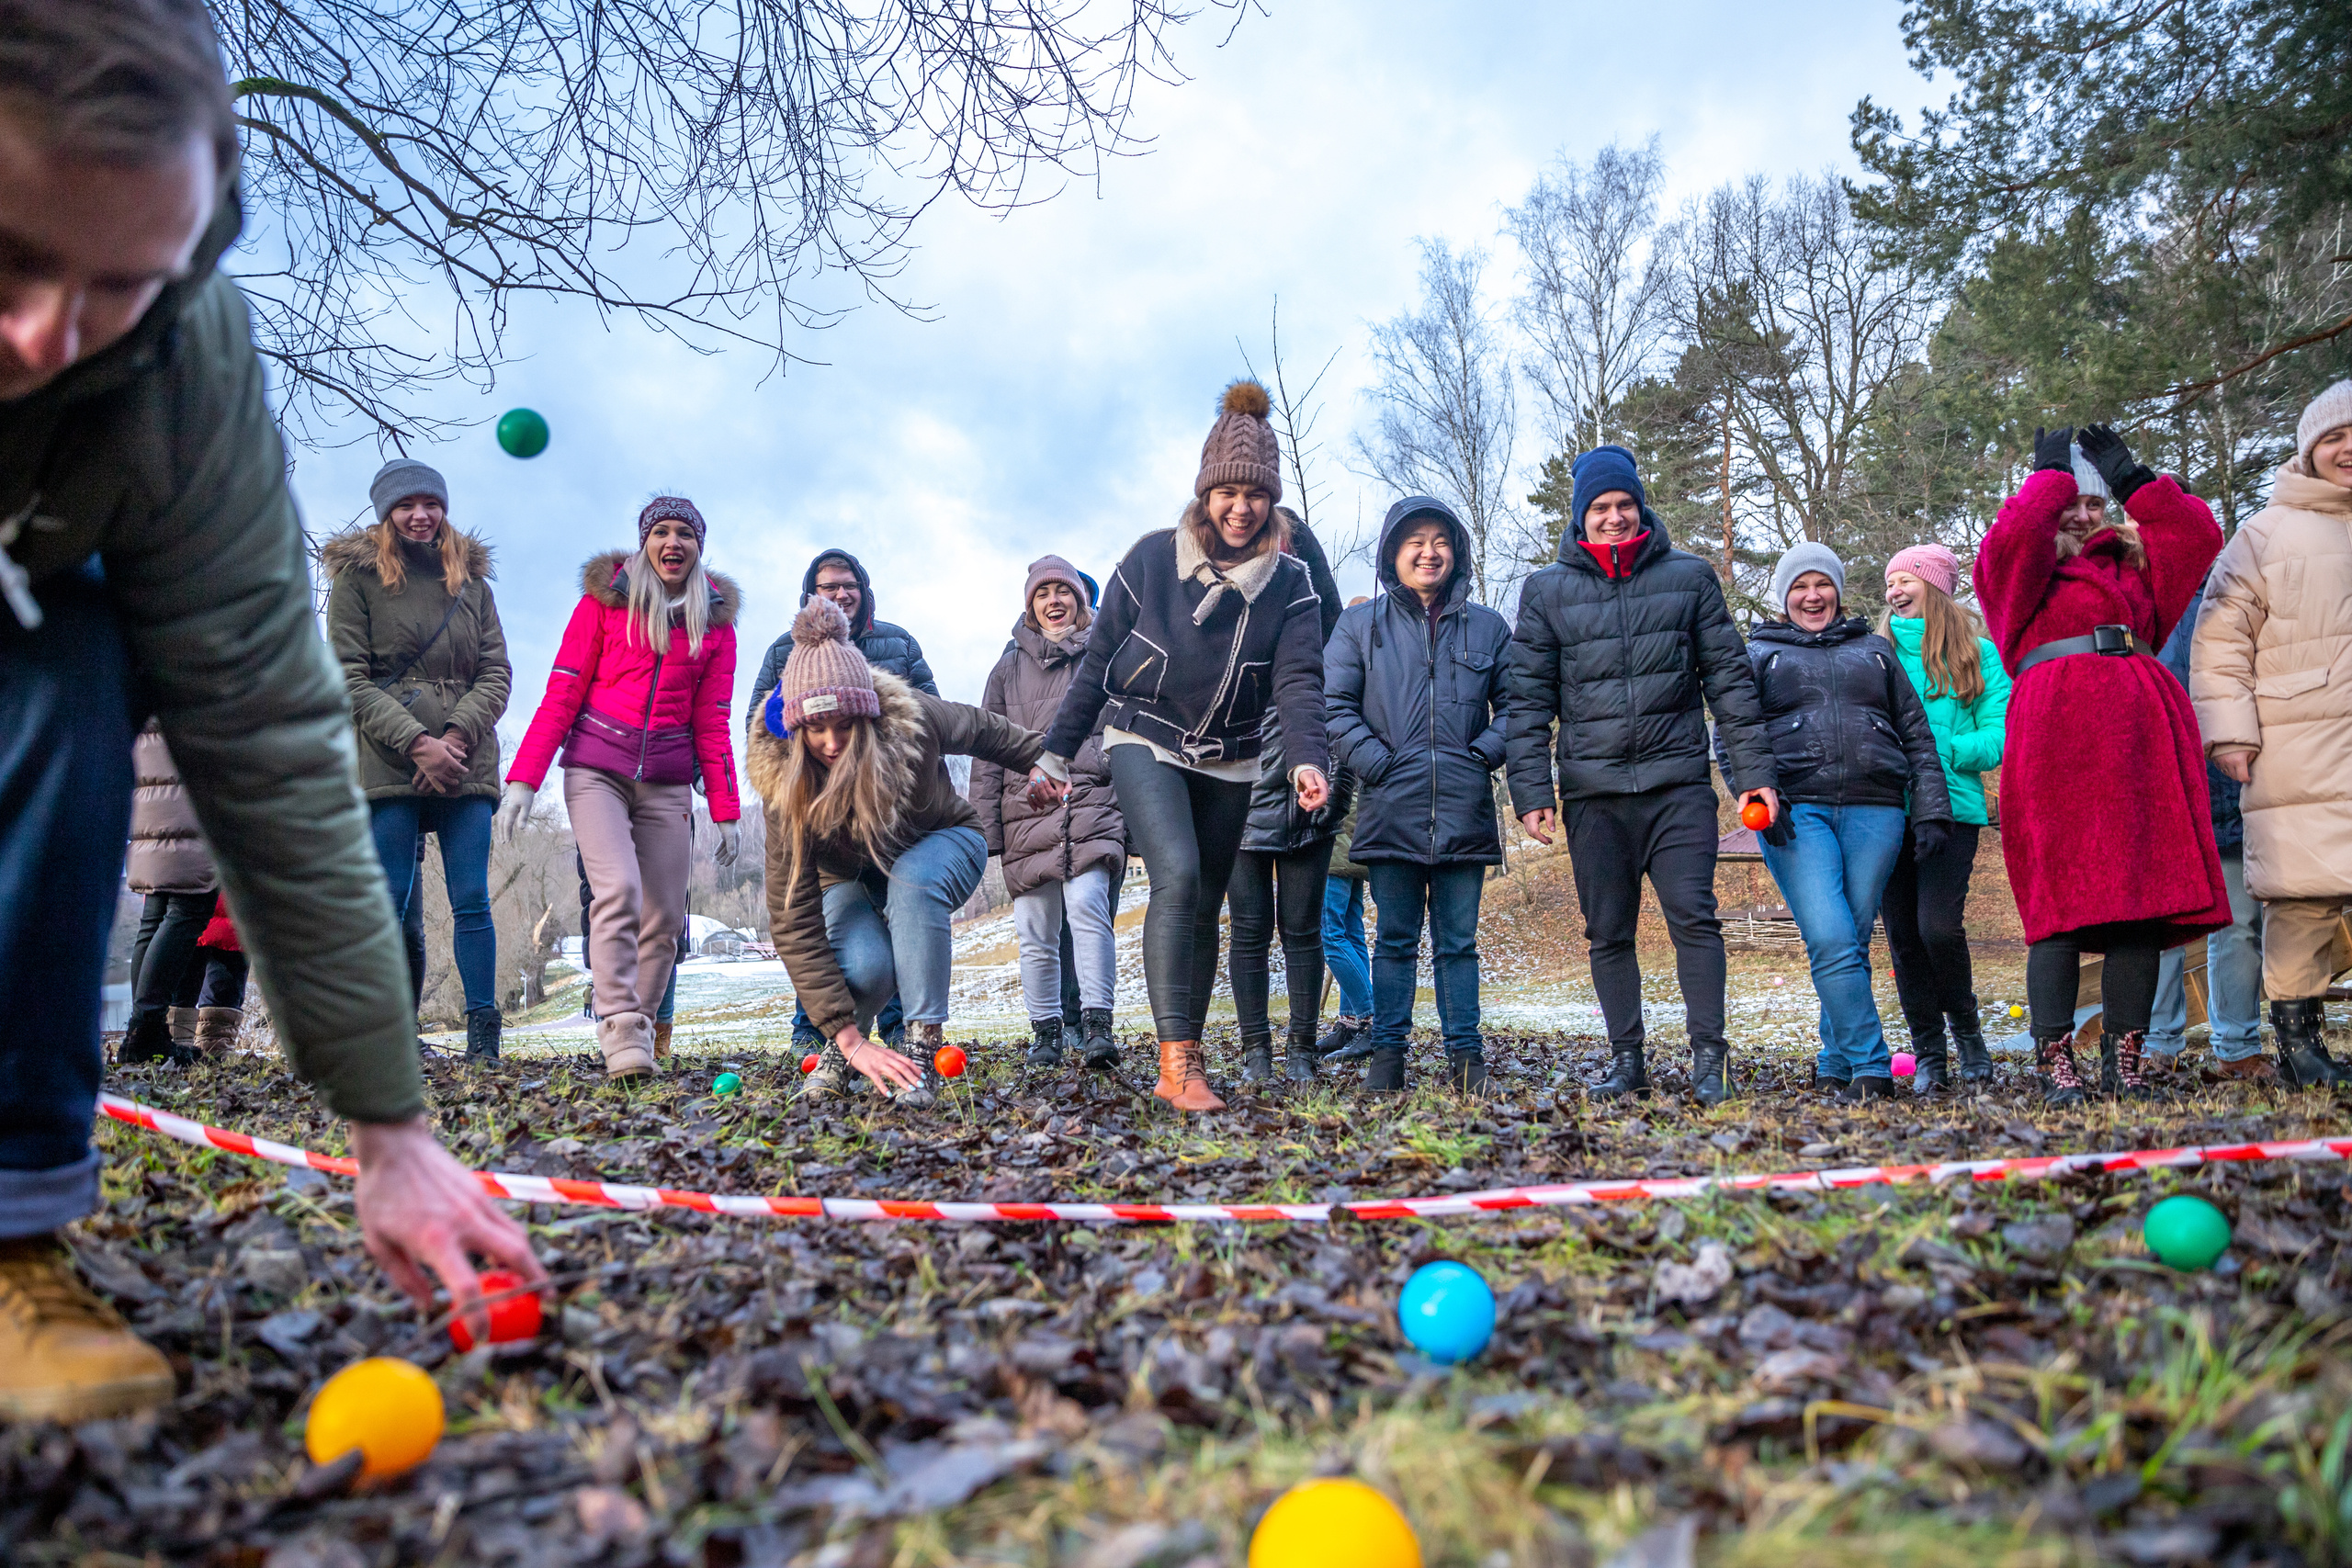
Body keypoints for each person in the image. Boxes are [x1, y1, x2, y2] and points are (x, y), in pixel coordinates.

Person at [0, 0, 539, 1421]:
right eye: (11, 258)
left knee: (63, 655)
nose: (49, 335)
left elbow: (267, 737)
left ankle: (9, 1237)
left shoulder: (186, 374)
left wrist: (389, 1123)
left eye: (117, 282)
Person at [1035, 380, 1331, 1113]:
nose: (1241, 507)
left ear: (1272, 501)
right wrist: (1052, 752)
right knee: (1177, 870)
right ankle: (1175, 1066)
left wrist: (1306, 758)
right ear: (1205, 494)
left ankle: (1189, 1052)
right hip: (1146, 737)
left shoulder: (1291, 586)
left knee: (1204, 901)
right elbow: (1098, 664)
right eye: (1227, 492)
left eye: (1255, 494)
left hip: (1231, 756)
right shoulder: (1149, 561)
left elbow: (1299, 683)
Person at [1504, 446, 1777, 1104]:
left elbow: (1731, 682)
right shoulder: (1546, 591)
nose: (1616, 517)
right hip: (1595, 795)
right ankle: (1627, 1060)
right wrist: (1532, 791)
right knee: (1608, 931)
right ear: (1581, 516)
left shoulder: (1689, 577)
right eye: (1601, 508)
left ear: (1641, 507)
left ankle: (1710, 1059)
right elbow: (1527, 699)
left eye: (1625, 504)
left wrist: (1753, 774)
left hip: (1677, 784)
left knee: (1694, 916)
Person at [1976, 424, 2230, 1105]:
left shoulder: (2135, 566)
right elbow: (2010, 541)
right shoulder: (2019, 572)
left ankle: (2127, 1059)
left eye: (2094, 503)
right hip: (2056, 740)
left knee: (2139, 906)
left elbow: (2197, 535)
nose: (2082, 514)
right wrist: (2051, 476)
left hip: (2141, 740)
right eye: (2071, 503)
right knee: (2058, 905)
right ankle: (2055, 1060)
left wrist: (2132, 479)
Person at [750, 598, 1046, 1104]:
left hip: (941, 841)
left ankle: (923, 1048)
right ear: (795, 728)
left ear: (866, 713)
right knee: (866, 966)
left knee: (911, 880)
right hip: (847, 879)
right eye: (815, 729)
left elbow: (981, 727)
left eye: (844, 725)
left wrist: (1040, 760)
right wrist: (847, 1033)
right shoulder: (786, 788)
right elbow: (792, 916)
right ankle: (844, 1054)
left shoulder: (910, 720)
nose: (831, 742)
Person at [500, 498, 743, 1079]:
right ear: (644, 543)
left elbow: (712, 720)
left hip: (666, 781)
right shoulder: (603, 607)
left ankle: (640, 1030)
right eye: (661, 532)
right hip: (596, 773)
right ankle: (619, 1031)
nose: (673, 543)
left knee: (665, 916)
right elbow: (561, 693)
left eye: (685, 533)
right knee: (620, 892)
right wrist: (523, 781)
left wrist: (727, 808)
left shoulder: (714, 626)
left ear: (698, 547)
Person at [1735, 545, 1953, 1101]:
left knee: (1853, 938)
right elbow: (1734, 734)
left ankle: (1834, 1059)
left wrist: (1929, 806)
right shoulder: (1759, 654)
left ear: (1837, 589)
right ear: (1784, 597)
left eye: (1822, 585)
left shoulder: (1876, 652)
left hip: (1876, 811)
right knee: (1831, 937)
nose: (1813, 596)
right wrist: (1755, 789)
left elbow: (1916, 733)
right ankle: (1871, 1064)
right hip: (1795, 811)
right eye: (1800, 587)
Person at [2191, 379, 2352, 1088]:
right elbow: (2220, 637)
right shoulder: (2264, 533)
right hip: (2297, 743)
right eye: (2334, 437)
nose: (2348, 450)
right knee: (2302, 899)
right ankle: (2300, 1043)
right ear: (2309, 448)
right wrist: (2230, 734)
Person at [323, 460, 512, 1063]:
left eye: (431, 502)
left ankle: (483, 1035)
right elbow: (348, 679)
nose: (420, 514)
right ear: (387, 513)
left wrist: (455, 735)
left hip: (466, 761)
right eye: (406, 505)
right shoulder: (356, 581)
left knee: (471, 898)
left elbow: (496, 671)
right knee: (388, 901)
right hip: (388, 760)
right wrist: (415, 741)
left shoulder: (472, 583)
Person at [1326, 498, 1513, 1092]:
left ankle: (1467, 1061)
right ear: (1392, 552)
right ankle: (1388, 1061)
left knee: (1458, 944)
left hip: (1464, 810)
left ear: (1455, 552)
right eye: (1415, 541)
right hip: (1390, 811)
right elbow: (1334, 707)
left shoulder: (1487, 626)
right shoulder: (1360, 626)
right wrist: (1377, 763)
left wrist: (1481, 753)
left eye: (1440, 540)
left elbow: (1519, 706)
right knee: (1394, 941)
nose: (1428, 551)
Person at [748, 548, 934, 1056]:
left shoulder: (898, 642)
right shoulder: (784, 650)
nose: (839, 593)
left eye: (847, 584)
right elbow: (760, 722)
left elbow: (930, 710)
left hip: (888, 807)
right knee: (825, 920)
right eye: (827, 586)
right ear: (812, 595)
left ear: (863, 589)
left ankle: (900, 1030)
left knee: (899, 914)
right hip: (823, 807)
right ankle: (813, 1032)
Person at [972, 556, 1125, 1070]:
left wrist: (1088, 766)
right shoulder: (1007, 667)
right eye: (1042, 594)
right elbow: (986, 748)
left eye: (1063, 592)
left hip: (1090, 800)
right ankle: (1046, 1033)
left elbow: (1126, 730)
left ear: (1081, 601)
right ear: (1030, 605)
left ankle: (1098, 1026)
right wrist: (986, 832)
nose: (1053, 601)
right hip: (1027, 809)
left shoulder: (1107, 654)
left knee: (1088, 908)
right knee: (1034, 929)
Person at [1878, 544, 2010, 1090]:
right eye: (1890, 583)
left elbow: (2000, 734)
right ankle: (1929, 1051)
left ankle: (1969, 1035)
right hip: (1885, 811)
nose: (1895, 592)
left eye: (1907, 580)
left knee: (1938, 928)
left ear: (1934, 587)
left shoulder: (1976, 654)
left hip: (1953, 809)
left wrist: (1943, 747)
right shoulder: (1875, 651)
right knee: (1904, 937)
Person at [1225, 506, 1349, 1083]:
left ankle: (1300, 1049)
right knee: (1248, 928)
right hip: (1239, 790)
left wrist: (1330, 772)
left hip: (1308, 781)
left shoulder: (1324, 626)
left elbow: (1341, 694)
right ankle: (1256, 1052)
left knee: (1301, 927)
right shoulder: (1223, 614)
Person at [2150, 581, 2267, 1079]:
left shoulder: (2233, 593)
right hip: (2159, 788)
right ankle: (2155, 1045)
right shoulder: (2133, 597)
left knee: (2241, 925)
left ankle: (2238, 1047)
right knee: (2159, 929)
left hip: (2231, 784)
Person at [119, 721, 215, 1066]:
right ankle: (145, 1030)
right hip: (187, 794)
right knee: (187, 910)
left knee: (155, 915)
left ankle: (143, 1032)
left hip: (151, 800)